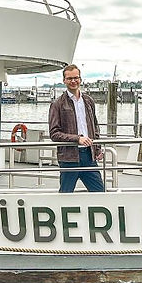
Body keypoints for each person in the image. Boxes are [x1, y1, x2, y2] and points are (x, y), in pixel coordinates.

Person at [48, 64, 106, 193]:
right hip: (69, 158)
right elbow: (54, 133)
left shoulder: (88, 101)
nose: (73, 81)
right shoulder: (57, 104)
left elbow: (94, 127)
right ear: (64, 81)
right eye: (69, 78)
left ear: (80, 79)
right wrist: (77, 139)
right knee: (66, 194)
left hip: (88, 156)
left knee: (100, 193)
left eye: (76, 78)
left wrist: (97, 148)